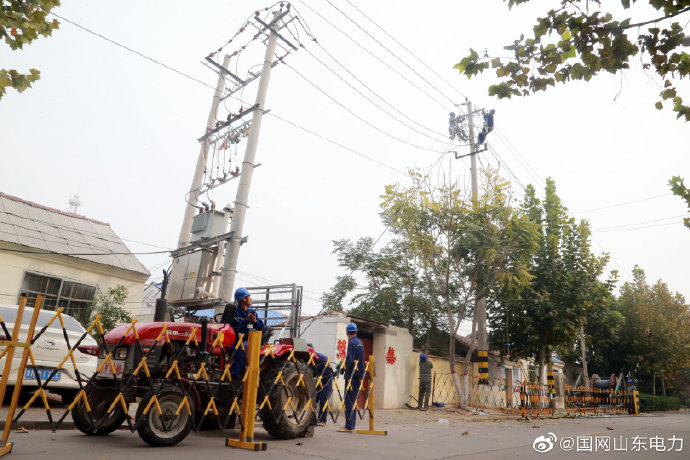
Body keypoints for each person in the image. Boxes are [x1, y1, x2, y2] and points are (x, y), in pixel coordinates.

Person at [228, 287, 264, 378]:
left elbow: (261, 327)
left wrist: (254, 321)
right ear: (244, 299)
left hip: (249, 339)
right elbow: (231, 327)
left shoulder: (252, 313)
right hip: (236, 339)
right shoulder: (235, 313)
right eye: (249, 296)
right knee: (235, 347)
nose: (251, 299)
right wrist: (247, 321)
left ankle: (233, 375)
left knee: (242, 347)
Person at [338, 322, 364, 433]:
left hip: (351, 375)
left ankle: (349, 426)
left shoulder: (352, 343)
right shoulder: (360, 343)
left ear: (347, 333)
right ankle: (351, 425)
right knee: (353, 400)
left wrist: (343, 369)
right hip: (359, 374)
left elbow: (349, 359)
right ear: (356, 331)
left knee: (349, 401)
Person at [312, 351, 333, 426]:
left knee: (323, 400)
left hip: (326, 380)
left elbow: (326, 371)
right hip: (318, 380)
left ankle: (322, 420)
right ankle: (311, 418)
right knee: (313, 399)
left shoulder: (321, 358)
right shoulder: (309, 359)